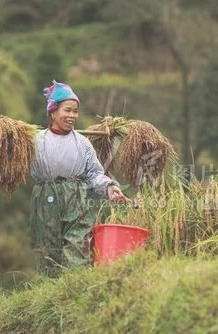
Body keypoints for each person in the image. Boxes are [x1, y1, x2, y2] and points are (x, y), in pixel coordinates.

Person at [29, 80, 129, 276]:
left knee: (78, 244)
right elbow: (9, 155)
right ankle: (52, 295)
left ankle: (76, 285)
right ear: (53, 111)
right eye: (67, 110)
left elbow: (94, 173)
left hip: (77, 197)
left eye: (75, 111)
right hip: (46, 197)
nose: (72, 116)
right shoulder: (35, 141)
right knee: (48, 250)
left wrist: (110, 187)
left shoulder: (83, 144)